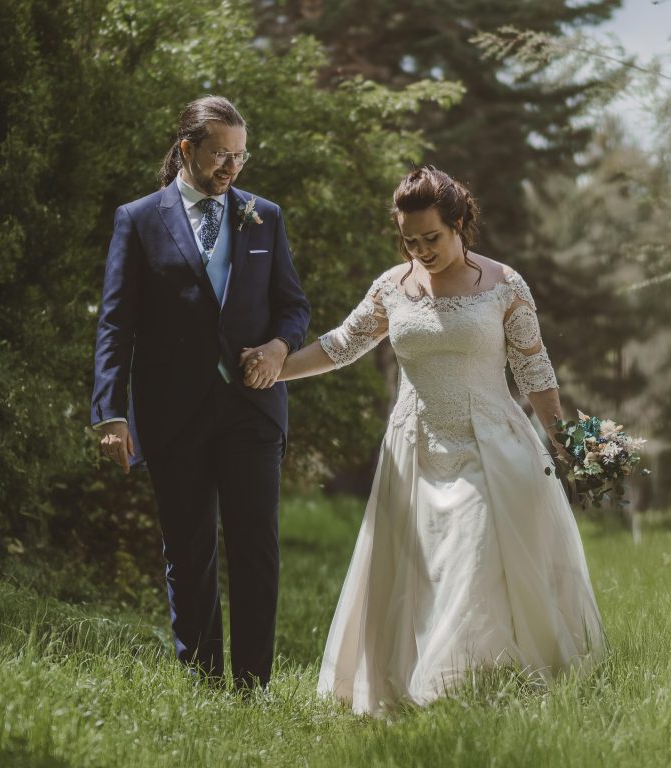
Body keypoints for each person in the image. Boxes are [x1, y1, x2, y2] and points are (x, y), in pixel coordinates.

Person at [246, 166, 604, 714]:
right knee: (423, 570)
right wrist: (275, 366)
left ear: (460, 224)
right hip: (414, 449)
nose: (421, 250)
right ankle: (432, 690)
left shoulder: (505, 285)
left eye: (431, 238)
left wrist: (573, 445)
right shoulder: (393, 286)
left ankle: (464, 690)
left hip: (492, 446)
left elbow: (536, 375)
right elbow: (341, 345)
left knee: (474, 553)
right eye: (409, 241)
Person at [90, 96, 310, 691]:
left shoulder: (265, 216)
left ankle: (252, 686)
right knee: (188, 551)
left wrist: (279, 349)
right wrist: (110, 411)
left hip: (251, 409)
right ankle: (204, 680)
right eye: (220, 154)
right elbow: (116, 323)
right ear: (187, 148)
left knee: (254, 547)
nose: (232, 167)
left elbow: (293, 307)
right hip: (172, 412)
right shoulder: (137, 219)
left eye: (240, 156)